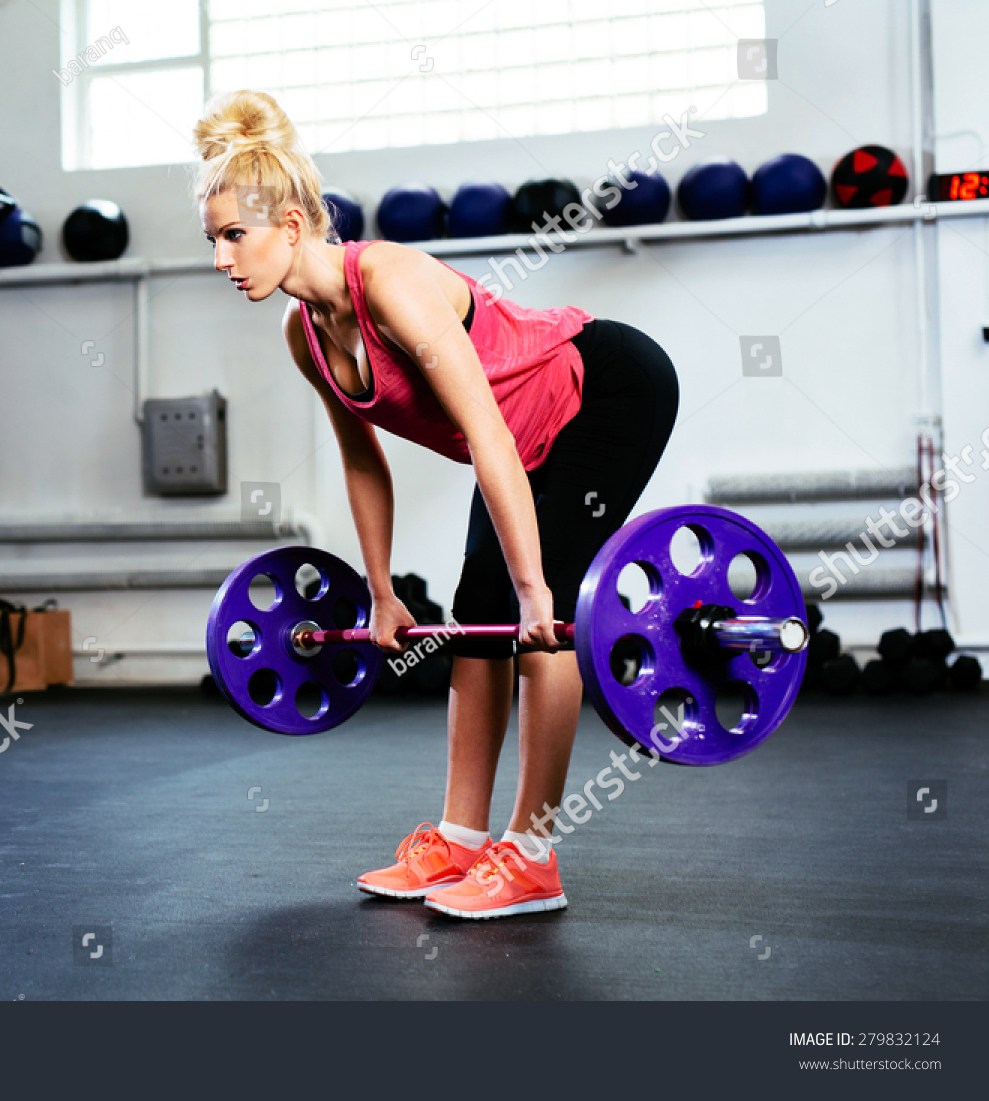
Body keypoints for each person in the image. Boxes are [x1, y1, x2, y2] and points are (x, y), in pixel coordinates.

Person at [193, 90, 679, 919]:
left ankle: (531, 855)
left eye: (234, 235)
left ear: (293, 227)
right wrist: (380, 589)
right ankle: (460, 838)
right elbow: (361, 456)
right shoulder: (303, 332)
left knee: (539, 608)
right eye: (213, 240)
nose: (220, 258)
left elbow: (484, 429)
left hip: (605, 393)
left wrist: (537, 591)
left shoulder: (393, 283)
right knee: (473, 607)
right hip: (523, 440)